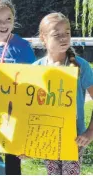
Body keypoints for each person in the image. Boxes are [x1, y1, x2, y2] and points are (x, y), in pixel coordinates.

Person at [0, 0, 36, 174]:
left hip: (15, 117)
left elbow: (32, 82)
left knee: (13, 166)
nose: (4, 25)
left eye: (8, 19)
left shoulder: (23, 47)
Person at [33, 12, 93, 175]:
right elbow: (27, 108)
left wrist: (90, 131)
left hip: (74, 139)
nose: (63, 38)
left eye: (67, 33)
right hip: (47, 139)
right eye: (56, 34)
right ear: (43, 38)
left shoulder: (81, 66)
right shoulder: (35, 69)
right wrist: (26, 143)